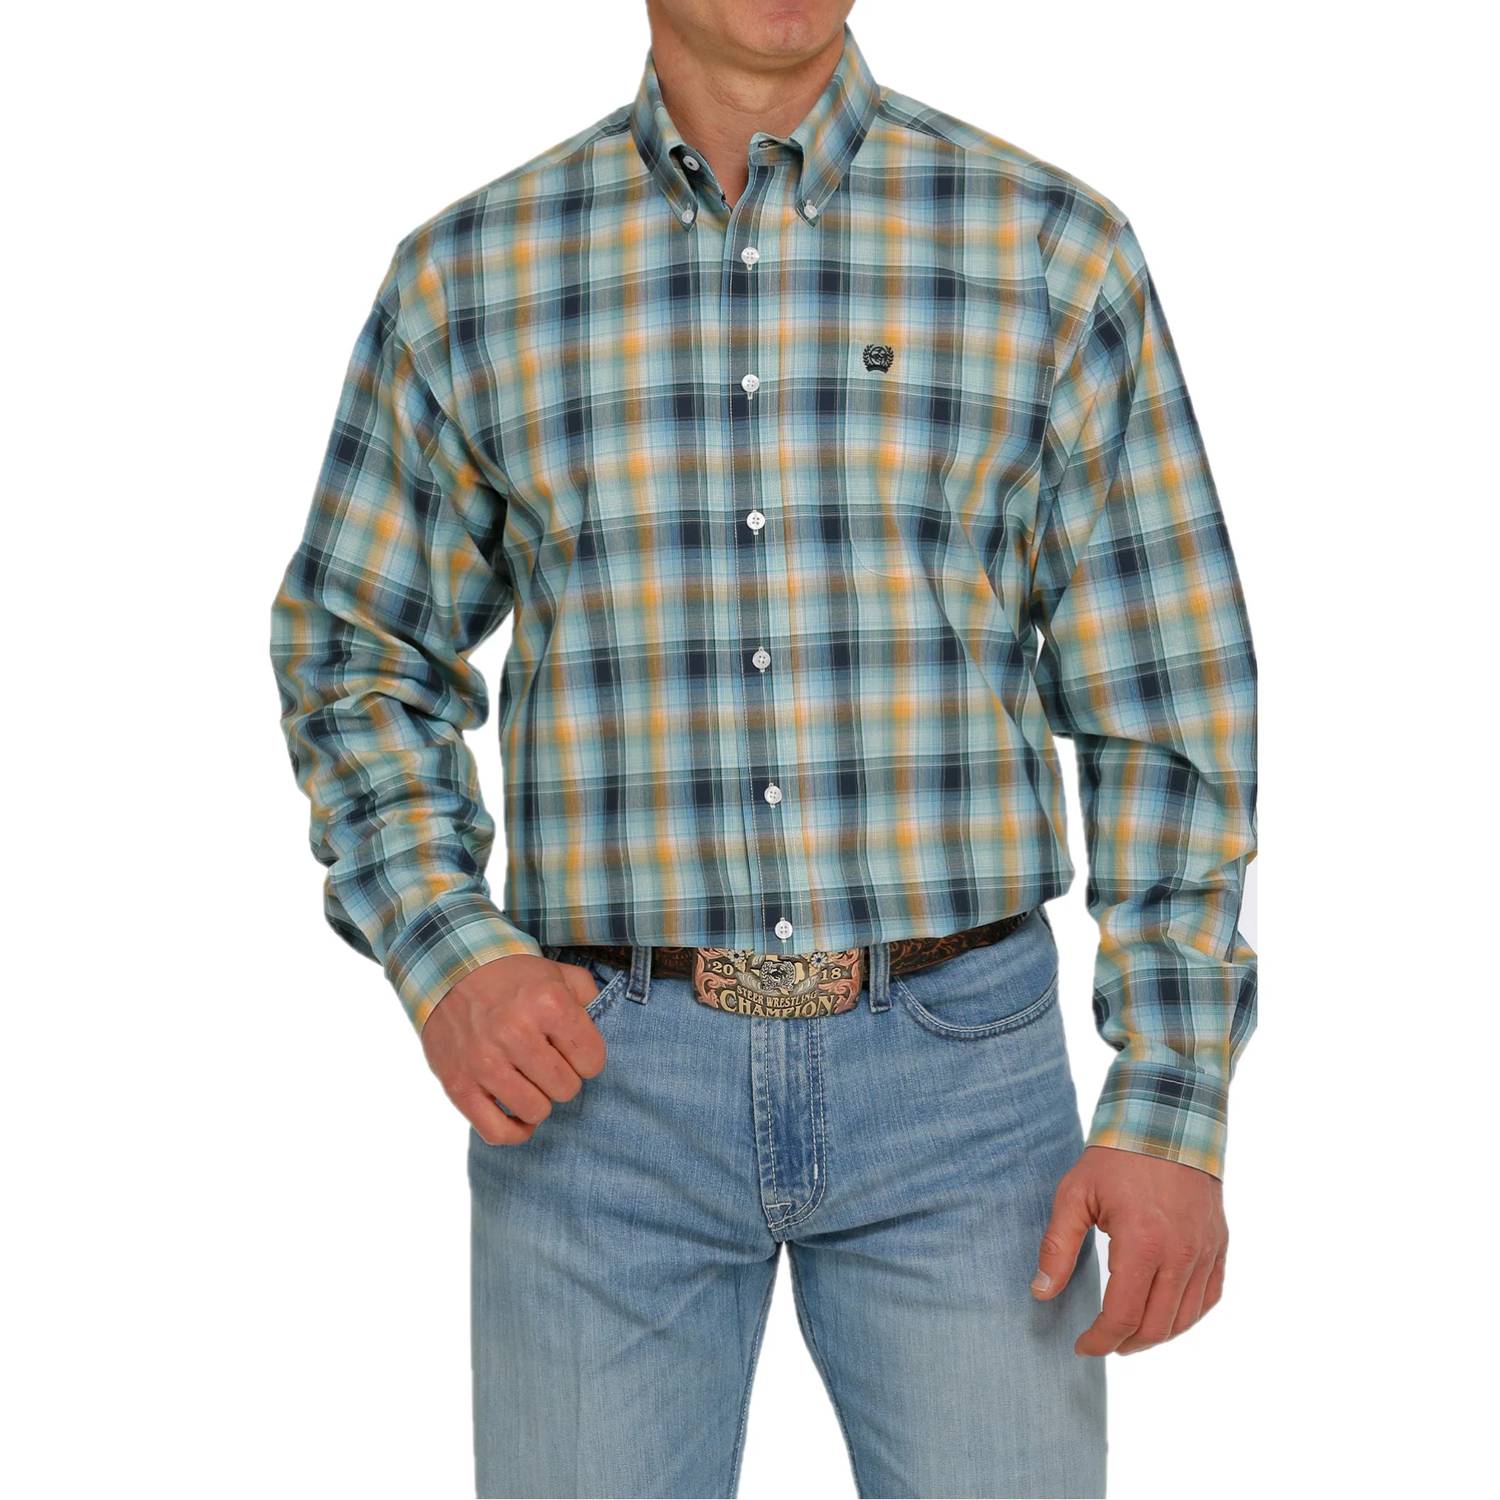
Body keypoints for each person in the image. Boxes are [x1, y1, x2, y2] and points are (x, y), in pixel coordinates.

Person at [269, 2, 1258, 1494]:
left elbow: (1164, 693)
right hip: (599, 1094)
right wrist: (447, 952)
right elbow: (359, 656)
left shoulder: (1051, 251)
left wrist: (1173, 1104)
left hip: (966, 1091)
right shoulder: (470, 279)